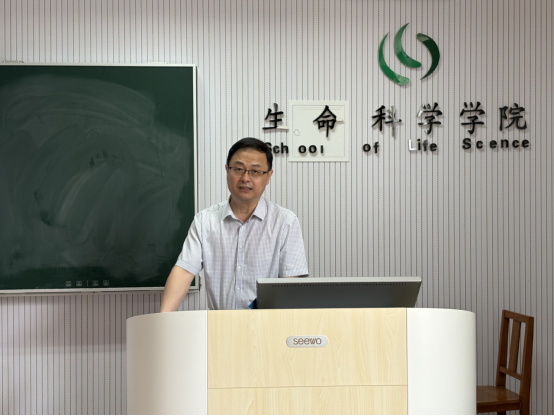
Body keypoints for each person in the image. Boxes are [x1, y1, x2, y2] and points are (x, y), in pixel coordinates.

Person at [160, 138, 308, 311]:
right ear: (227, 170)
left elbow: (289, 283)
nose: (245, 178)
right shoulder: (205, 220)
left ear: (268, 176)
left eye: (255, 171)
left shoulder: (285, 222)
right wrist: (163, 318)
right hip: (219, 323)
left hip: (267, 324)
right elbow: (184, 271)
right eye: (238, 169)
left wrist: (256, 319)